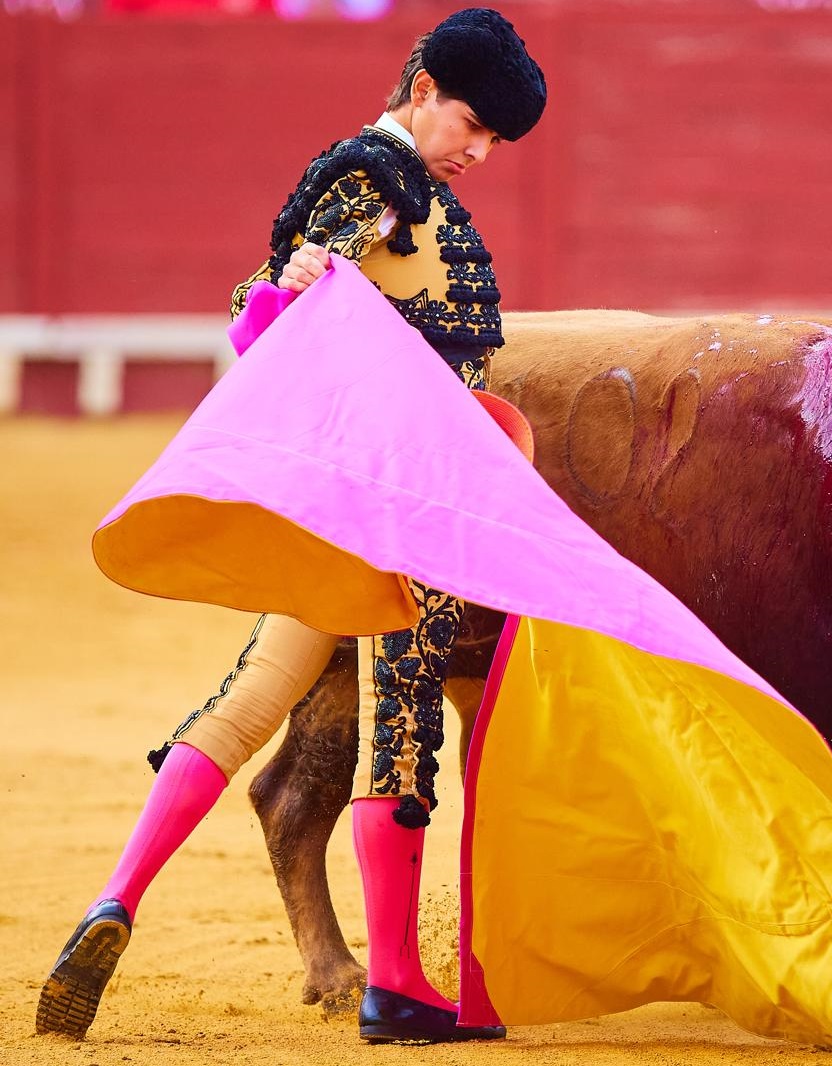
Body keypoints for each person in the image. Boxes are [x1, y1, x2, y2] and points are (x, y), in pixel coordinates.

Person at [36, 7, 545, 1046]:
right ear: (418, 88)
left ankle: (114, 898)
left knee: (250, 698)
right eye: (472, 124)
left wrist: (286, 284)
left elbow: (284, 293)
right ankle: (396, 983)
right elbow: (297, 289)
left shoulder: (379, 177)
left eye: (495, 139)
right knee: (400, 726)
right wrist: (294, 281)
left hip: (342, 499)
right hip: (398, 500)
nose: (479, 151)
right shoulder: (381, 178)